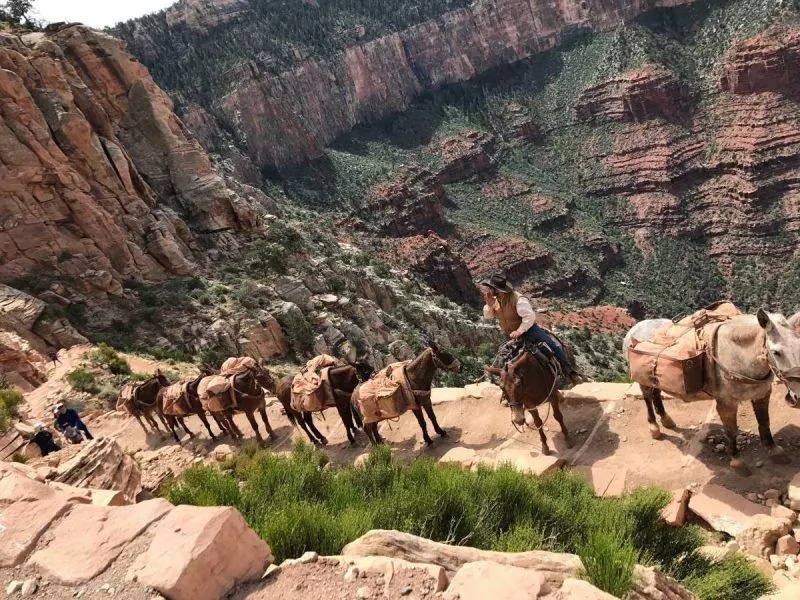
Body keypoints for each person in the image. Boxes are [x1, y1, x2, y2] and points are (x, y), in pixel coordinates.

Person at [480, 273, 582, 384]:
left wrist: (519, 331)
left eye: (490, 288)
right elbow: (488, 316)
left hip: (529, 331)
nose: (488, 290)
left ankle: (570, 372)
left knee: (552, 345)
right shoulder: (494, 300)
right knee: (501, 358)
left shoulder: (518, 299)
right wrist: (489, 305)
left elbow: (530, 317)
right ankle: (505, 386)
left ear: (496, 289)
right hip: (509, 335)